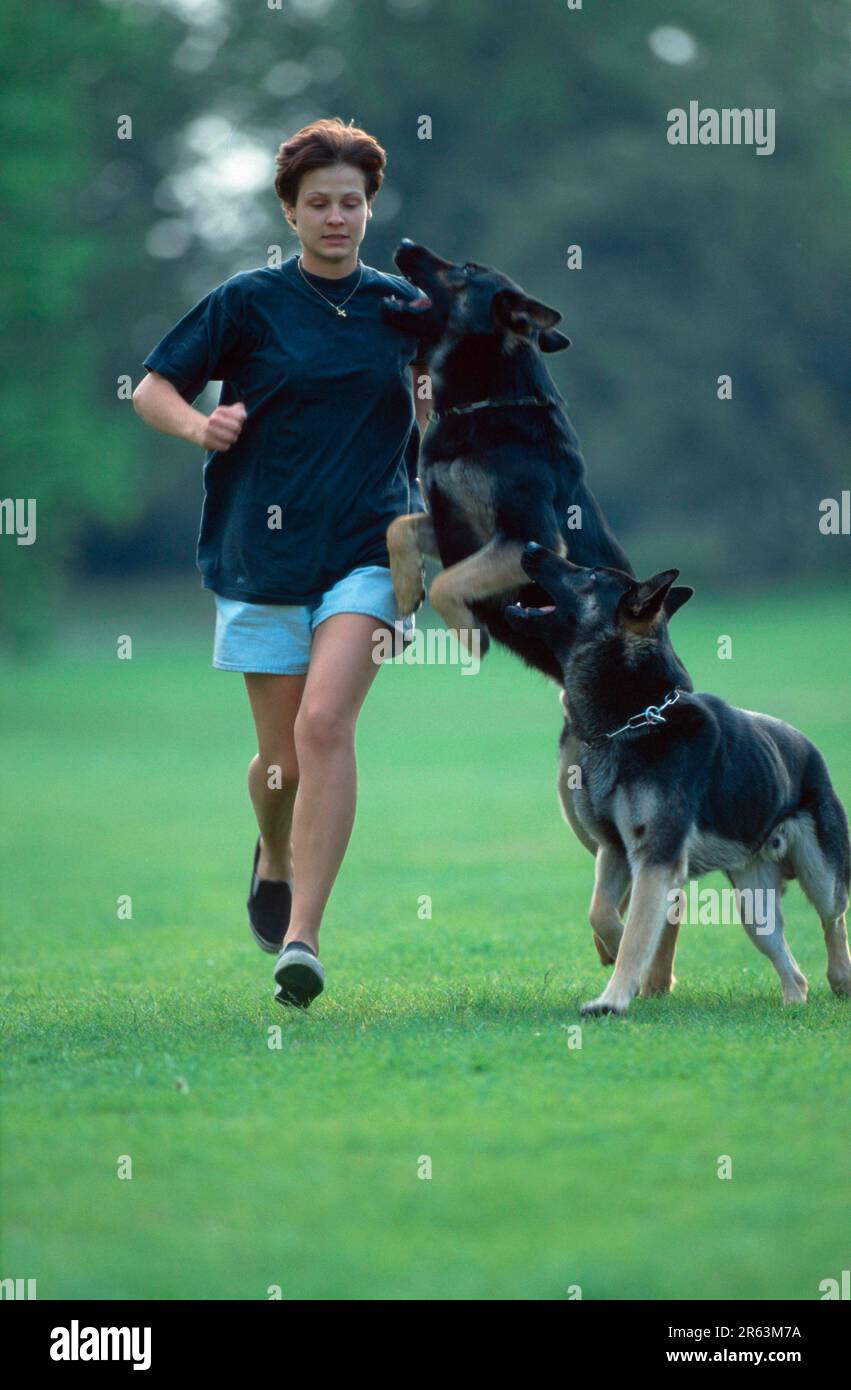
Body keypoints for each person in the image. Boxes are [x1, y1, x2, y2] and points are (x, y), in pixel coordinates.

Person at [132, 117, 431, 1008]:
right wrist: (201, 423)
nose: (337, 218)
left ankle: (301, 938)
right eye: (319, 204)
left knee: (324, 724)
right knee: (280, 766)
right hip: (259, 554)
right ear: (290, 212)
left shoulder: (401, 310)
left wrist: (438, 400)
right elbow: (153, 387)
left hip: (370, 550)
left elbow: (443, 400)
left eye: (352, 203)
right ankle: (272, 848)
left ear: (370, 209)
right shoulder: (247, 301)